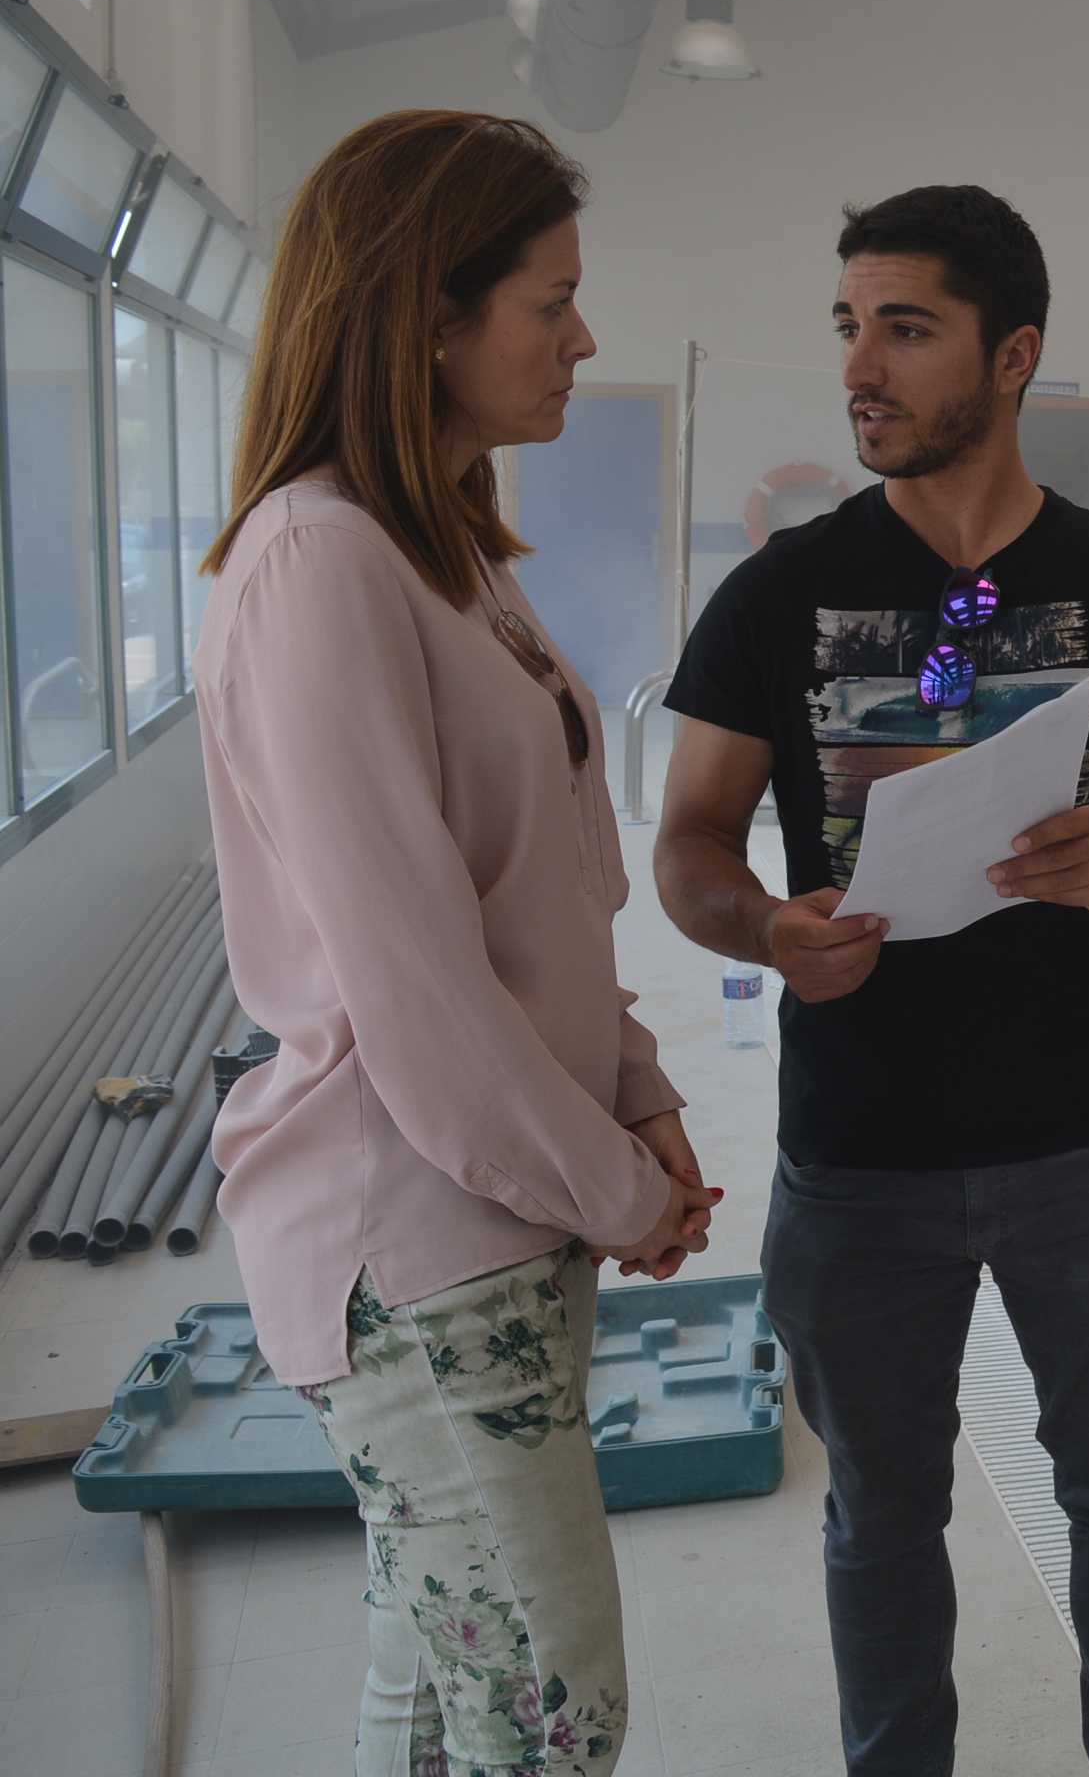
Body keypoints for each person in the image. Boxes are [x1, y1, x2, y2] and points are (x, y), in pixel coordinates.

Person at [653, 185, 1089, 1777]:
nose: (864, 364)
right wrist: (769, 928)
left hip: (1084, 1148)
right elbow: (691, 850)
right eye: (849, 326)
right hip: (858, 1157)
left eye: (906, 329)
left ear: (1014, 356)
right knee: (880, 1518)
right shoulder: (777, 597)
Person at [195, 110, 720, 1777]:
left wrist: (632, 1089)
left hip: (510, 1199)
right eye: (549, 301)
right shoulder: (317, 562)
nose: (582, 339)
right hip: (422, 1231)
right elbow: (416, 997)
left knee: (444, 1669)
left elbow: (550, 884)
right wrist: (623, 1192)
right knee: (551, 1710)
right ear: (429, 312)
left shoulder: (451, 557)